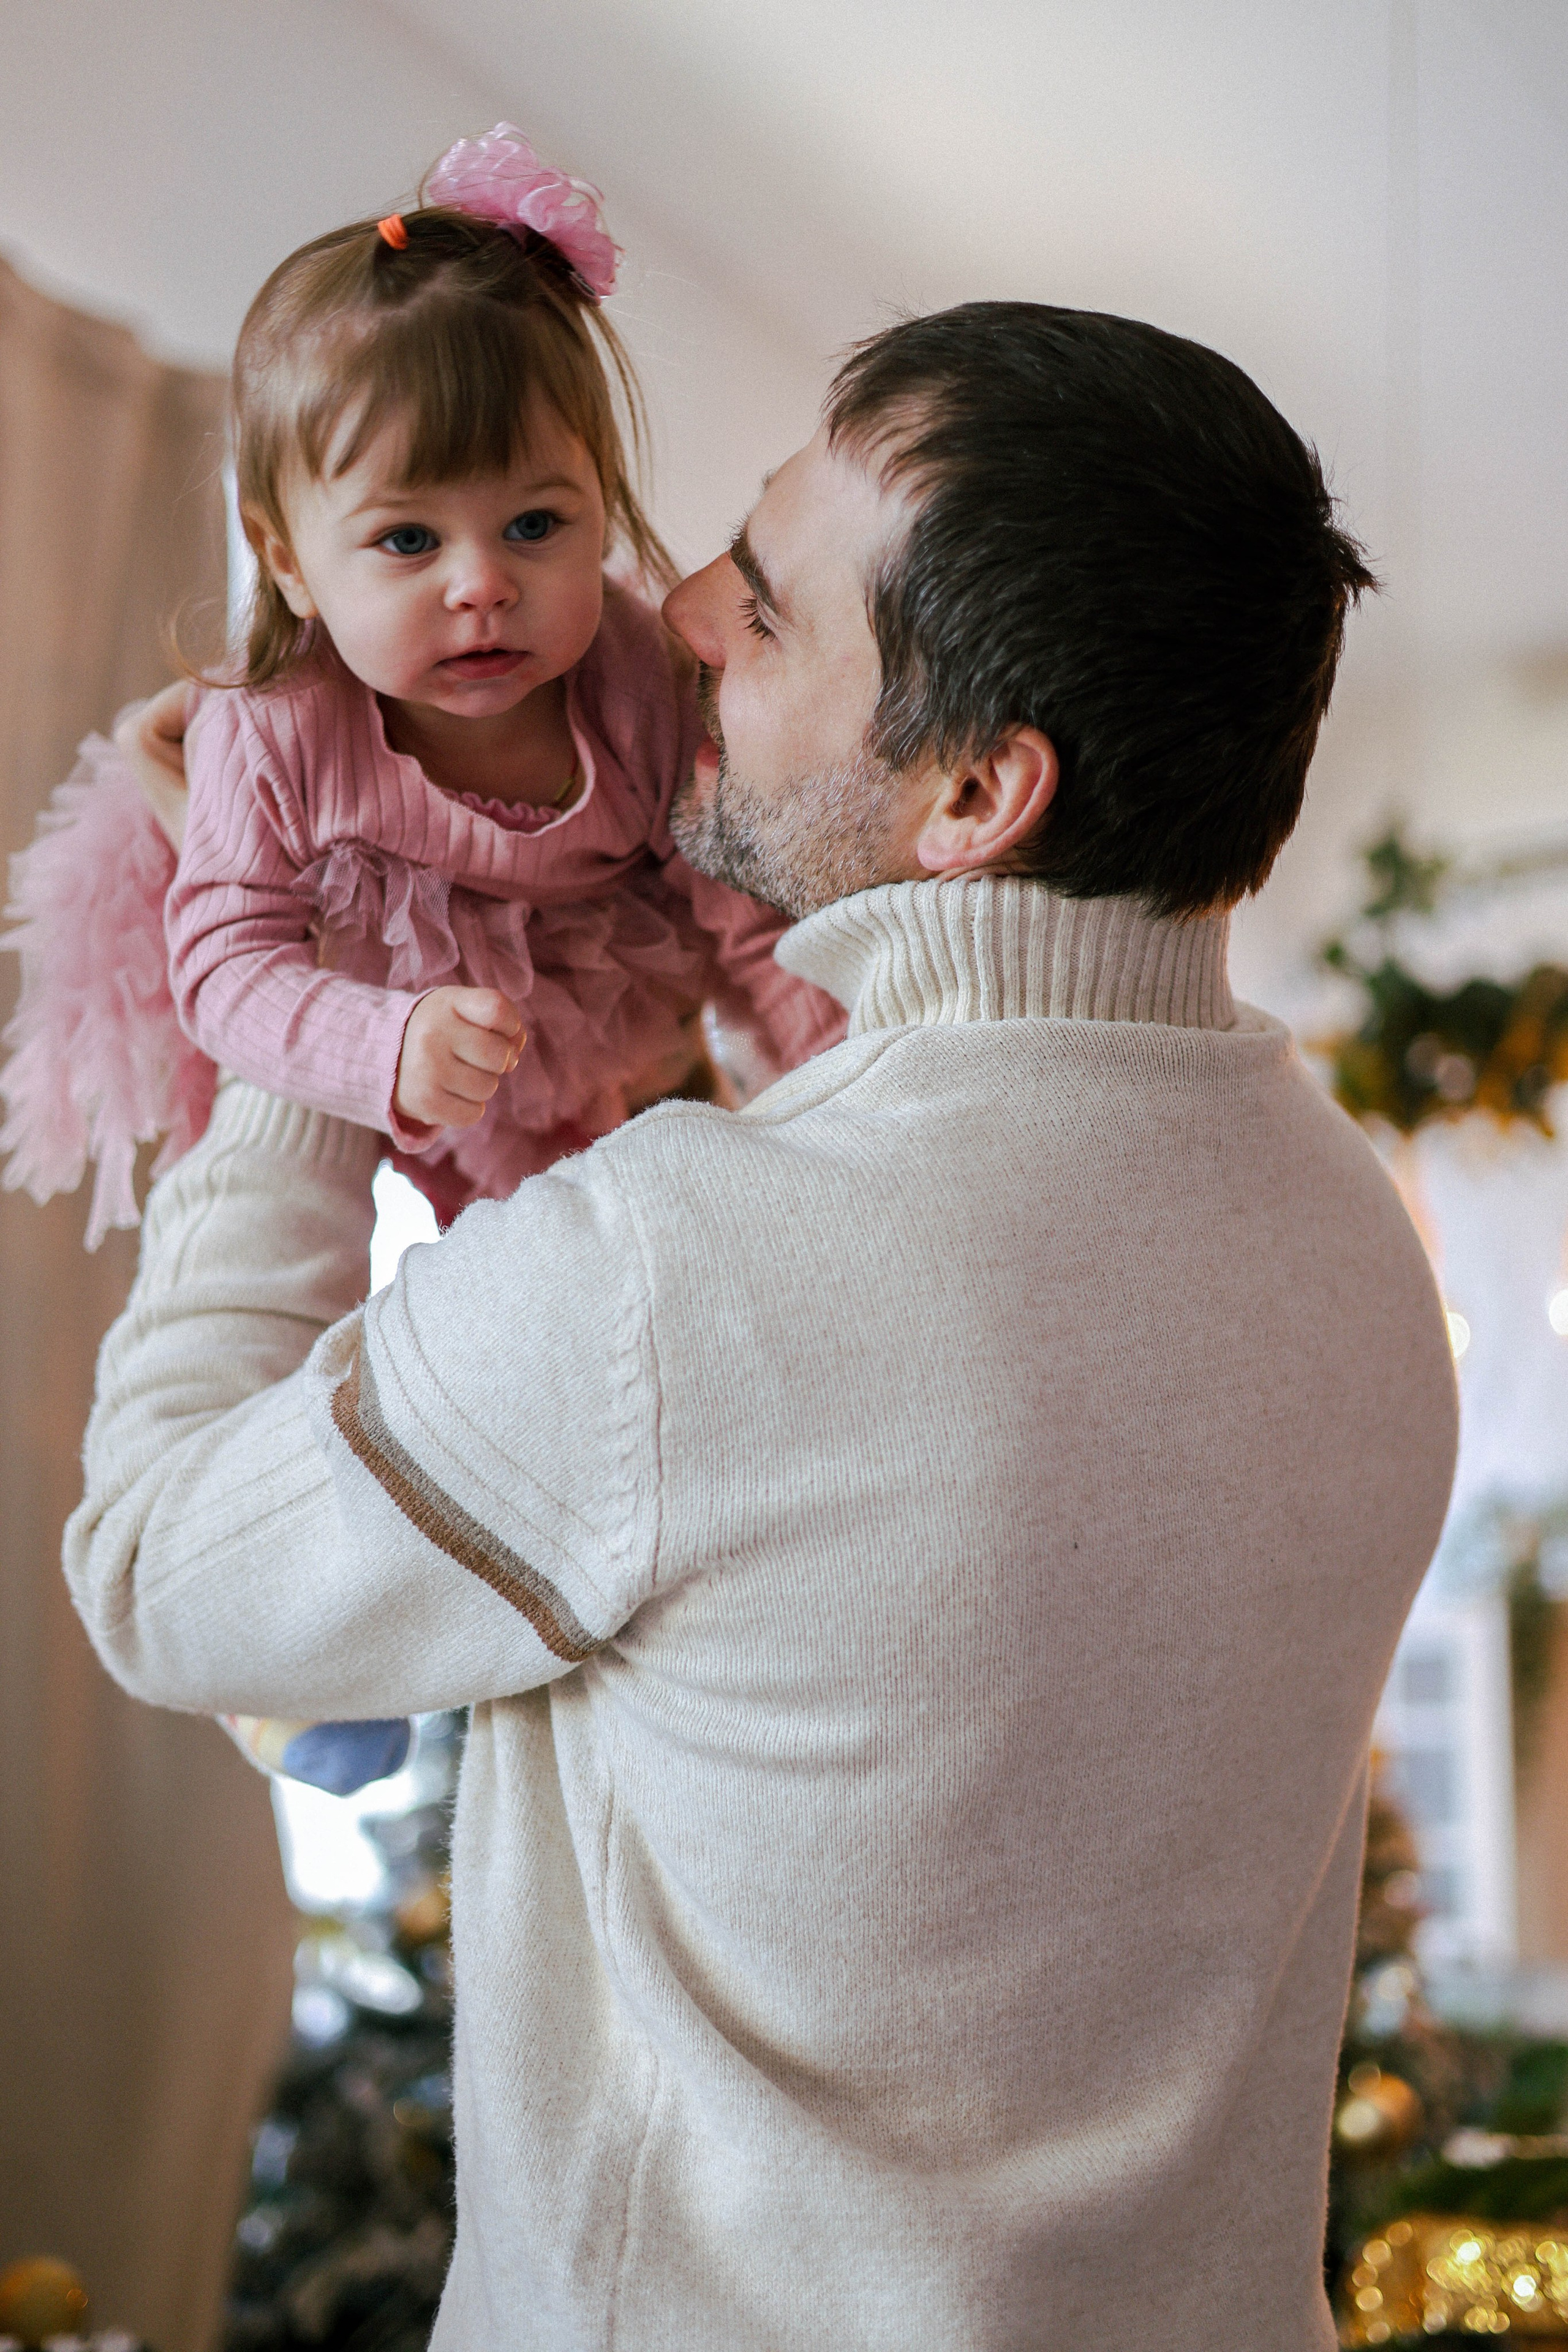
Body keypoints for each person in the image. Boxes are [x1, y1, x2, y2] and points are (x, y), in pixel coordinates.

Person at [72, 300, 1458, 2351]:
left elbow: (158, 1577)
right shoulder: (1357, 1237)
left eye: (776, 608)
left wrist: (302, 1028)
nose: (682, 613)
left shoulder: (690, 1265)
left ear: (979, 792)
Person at [4, 124, 839, 1796]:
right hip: (405, 1037)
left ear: (604, 506)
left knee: (677, 1314)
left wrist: (840, 1082)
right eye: (407, 543)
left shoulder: (627, 672)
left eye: (538, 523)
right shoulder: (275, 730)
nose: (483, 591)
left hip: (618, 1022)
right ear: (287, 551)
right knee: (427, 1345)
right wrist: (369, 1043)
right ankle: (307, 1673)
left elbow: (743, 909)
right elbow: (228, 964)